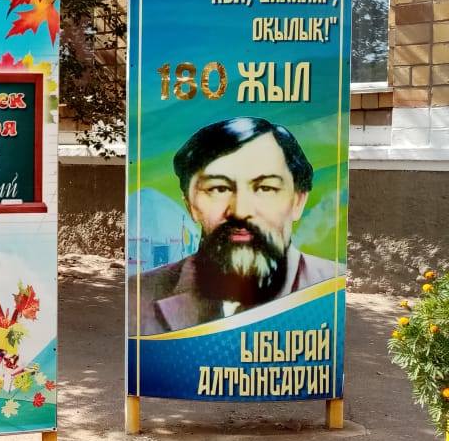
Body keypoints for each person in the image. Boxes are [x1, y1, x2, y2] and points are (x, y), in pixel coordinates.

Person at [134, 117, 337, 335]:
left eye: (265, 188)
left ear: (297, 202)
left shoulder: (333, 286)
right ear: (191, 205)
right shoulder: (138, 295)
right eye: (219, 189)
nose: (240, 210)